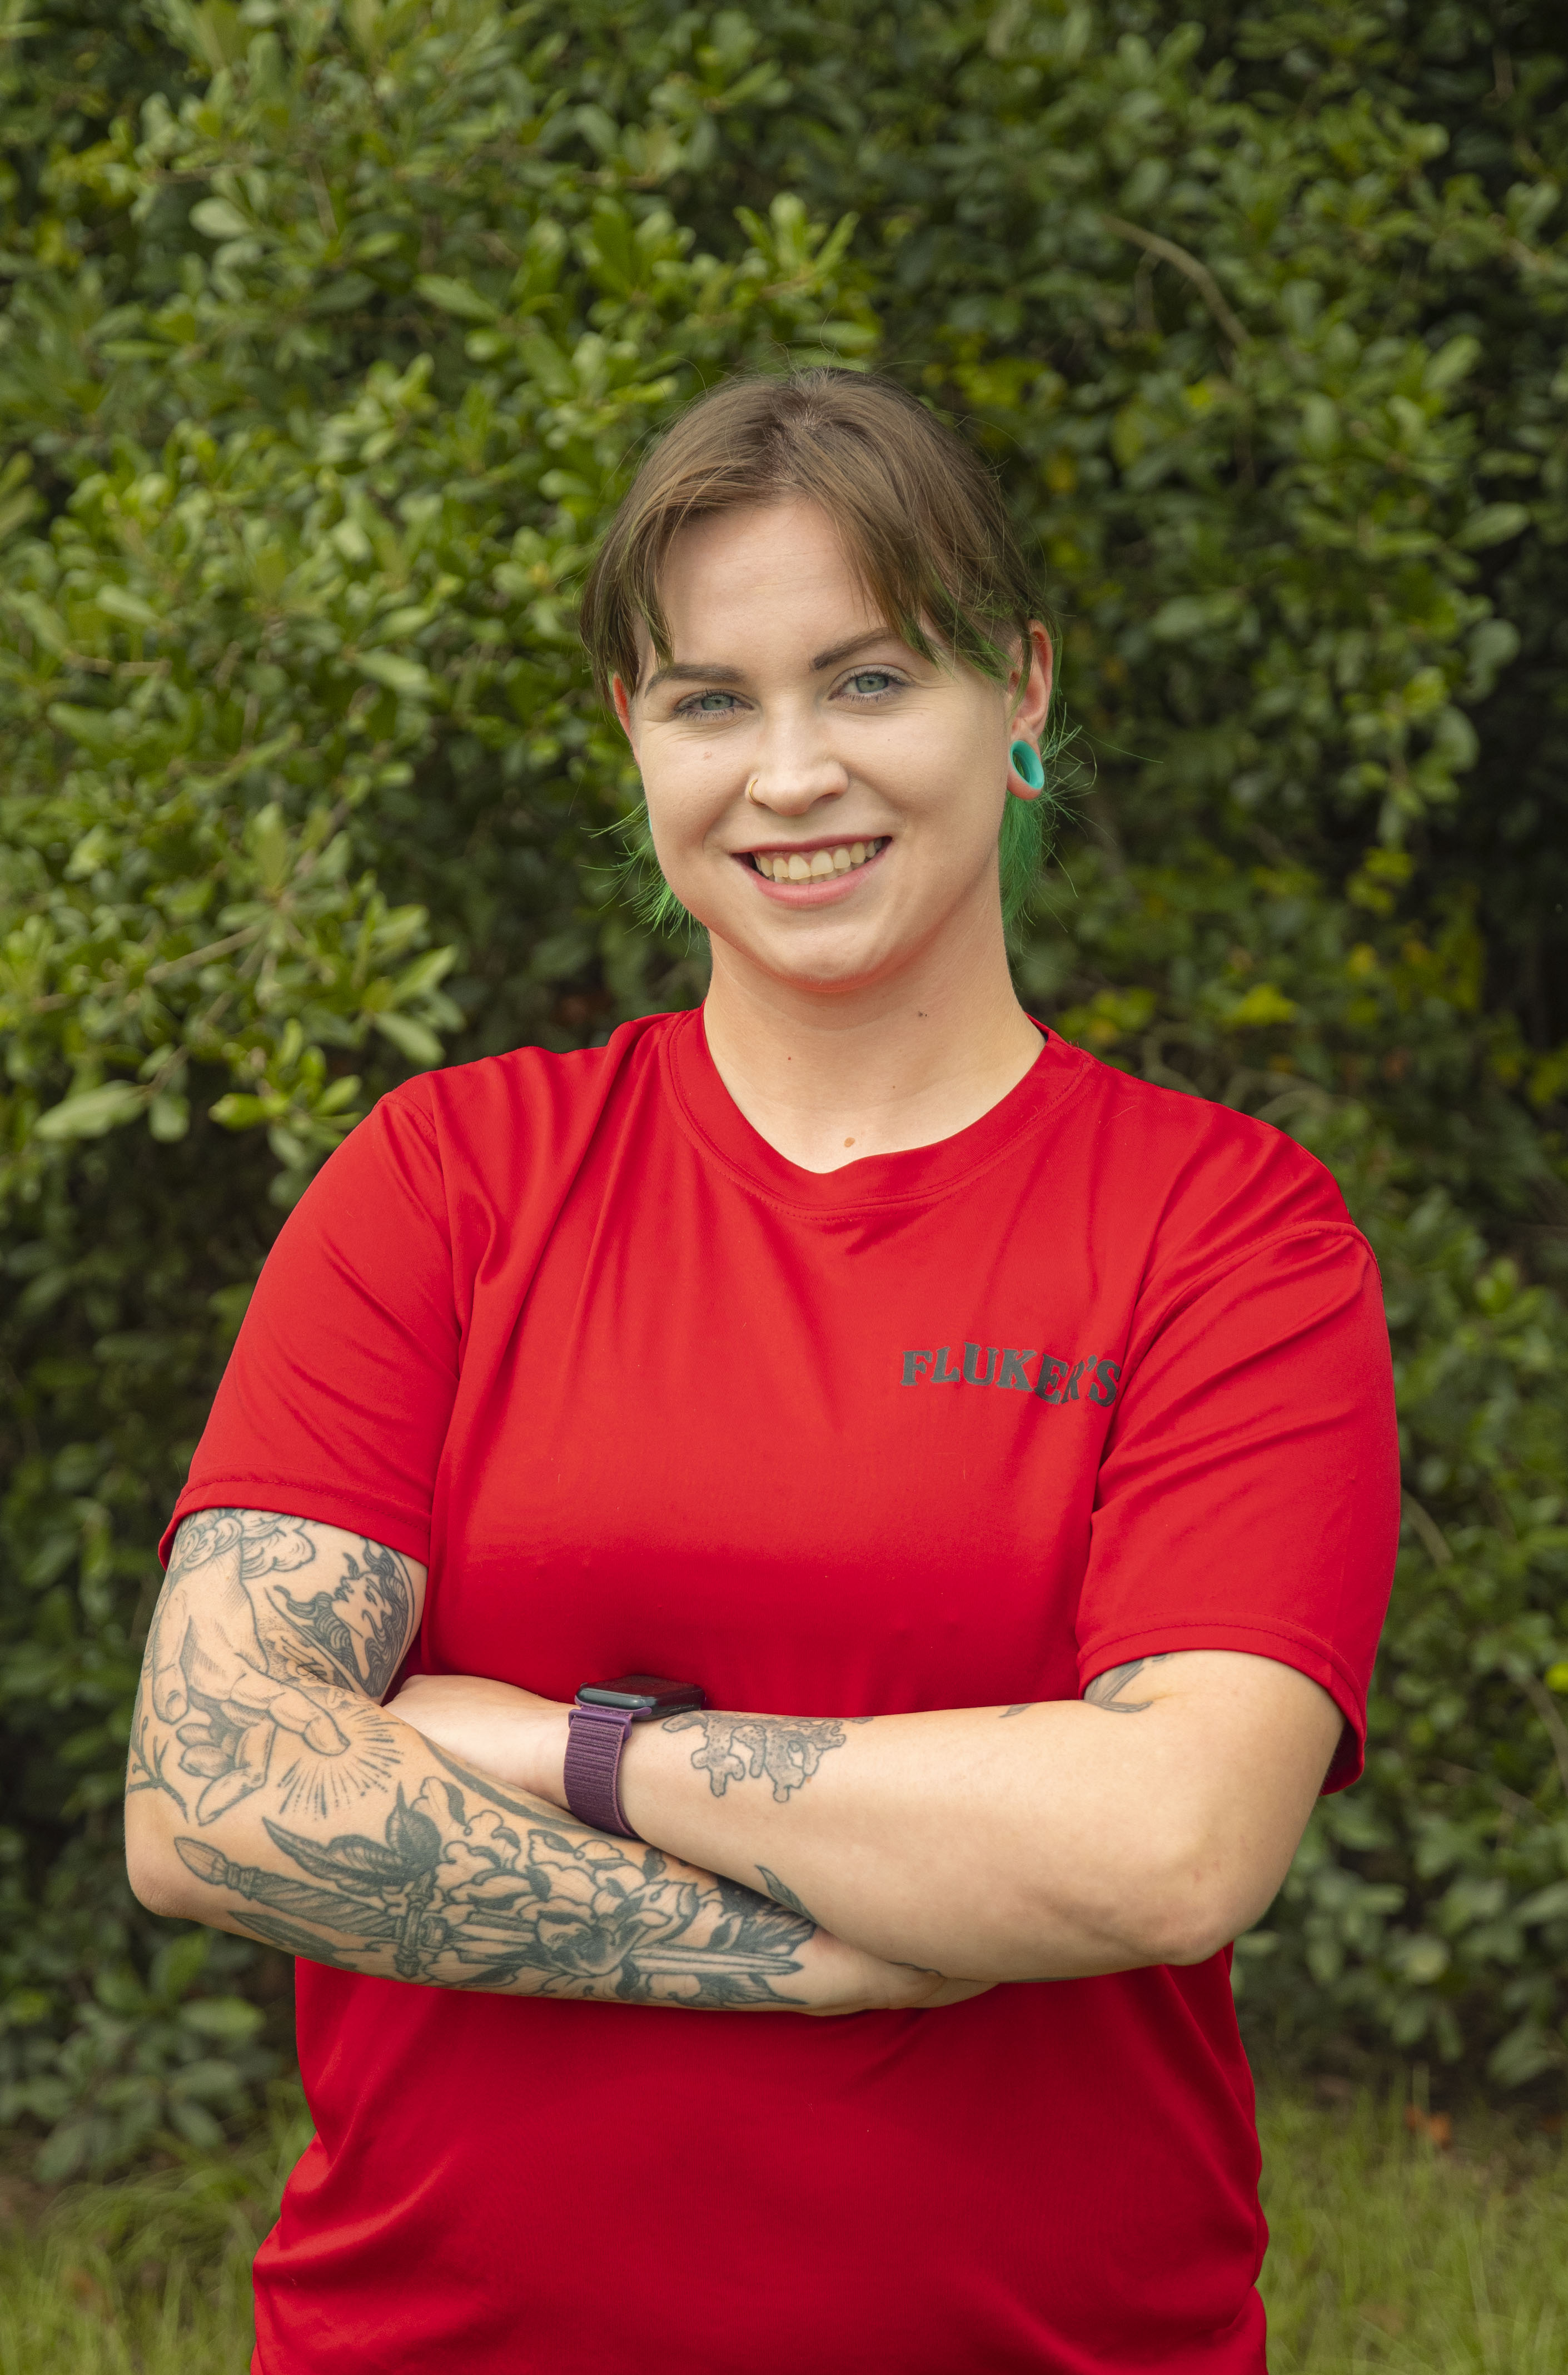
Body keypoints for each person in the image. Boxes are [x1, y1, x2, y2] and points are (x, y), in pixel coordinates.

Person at [125, 369, 1398, 2375]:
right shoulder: (447, 1181)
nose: (791, 772)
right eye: (710, 699)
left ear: (1025, 693)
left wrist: (568, 1744)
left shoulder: (1227, 1232)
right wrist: (813, 1965)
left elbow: (1169, 1845)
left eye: (871, 680)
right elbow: (211, 1799)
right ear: (635, 737)